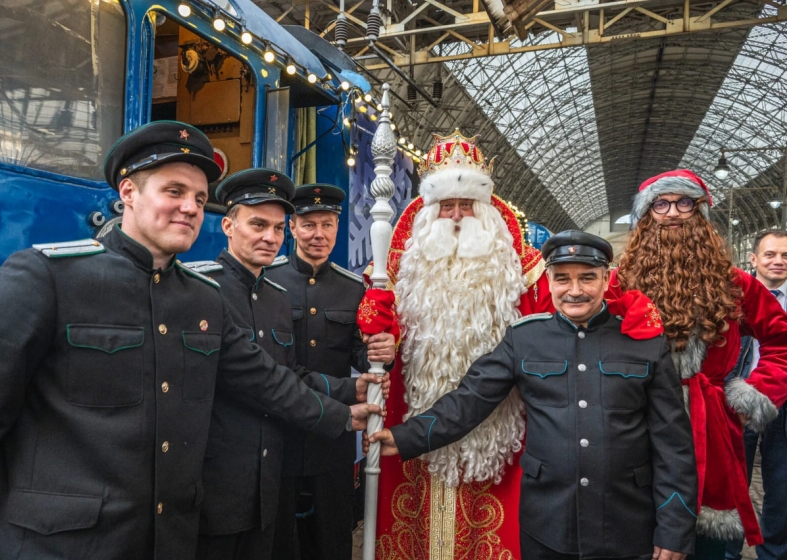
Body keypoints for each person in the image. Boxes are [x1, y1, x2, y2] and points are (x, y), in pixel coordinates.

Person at [0, 121, 379, 560]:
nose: (190, 208)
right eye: (173, 191)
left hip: (166, 538)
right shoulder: (47, 277)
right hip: (59, 544)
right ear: (128, 192)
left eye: (198, 198)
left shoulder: (203, 299)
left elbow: (266, 379)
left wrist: (344, 415)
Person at [367, 230, 698, 560]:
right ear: (549, 280)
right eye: (563, 279)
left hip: (627, 525)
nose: (575, 291)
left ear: (606, 278)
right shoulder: (525, 338)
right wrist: (405, 437)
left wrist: (675, 530)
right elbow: (469, 401)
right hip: (548, 525)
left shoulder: (644, 343)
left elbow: (673, 443)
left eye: (587, 278)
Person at [189, 169, 390, 560]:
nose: (270, 236)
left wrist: (375, 362)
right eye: (259, 225)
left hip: (316, 445)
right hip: (243, 461)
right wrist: (345, 409)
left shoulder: (285, 295)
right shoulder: (210, 290)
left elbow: (295, 371)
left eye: (328, 225)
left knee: (328, 542)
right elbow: (266, 379)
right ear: (228, 226)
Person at [372, 129, 554, 560]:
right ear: (429, 211)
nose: (455, 216)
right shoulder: (400, 269)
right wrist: (379, 337)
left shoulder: (524, 269)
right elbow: (379, 329)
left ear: (485, 209)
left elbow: (554, 326)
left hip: (497, 427)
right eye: (446, 205)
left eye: (466, 205)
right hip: (413, 417)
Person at [607, 170, 787, 559]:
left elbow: (780, 341)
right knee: (635, 521)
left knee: (707, 536)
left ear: (700, 212)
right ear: (647, 215)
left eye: (684, 203)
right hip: (636, 417)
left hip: (708, 423)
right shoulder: (620, 283)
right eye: (661, 204)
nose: (673, 212)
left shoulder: (735, 284)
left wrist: (755, 393)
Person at [267, 184, 396, 559]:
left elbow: (362, 356)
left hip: (333, 441)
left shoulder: (353, 288)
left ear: (338, 228)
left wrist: (383, 353)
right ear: (292, 227)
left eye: (327, 224)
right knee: (278, 543)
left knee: (332, 541)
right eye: (309, 225)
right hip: (279, 436)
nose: (319, 234)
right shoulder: (269, 282)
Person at [725, 229, 787, 560]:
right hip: (739, 401)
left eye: (786, 256)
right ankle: (727, 550)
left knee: (782, 486)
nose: (778, 261)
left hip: (783, 403)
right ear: (753, 259)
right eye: (770, 254)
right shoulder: (734, 294)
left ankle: (774, 553)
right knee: (732, 482)